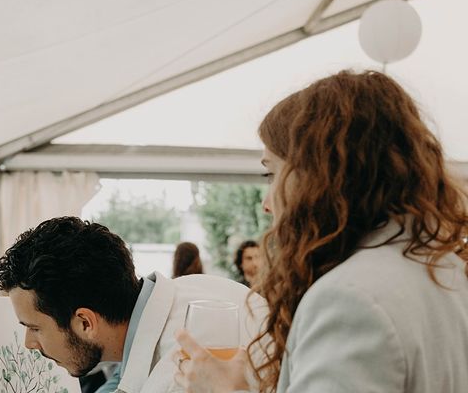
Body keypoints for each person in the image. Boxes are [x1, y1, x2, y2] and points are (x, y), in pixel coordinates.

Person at [174, 70, 468, 392]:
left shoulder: (350, 299)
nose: (266, 204)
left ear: (316, 176)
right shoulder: (444, 268)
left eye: (270, 174)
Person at [0, 216, 267, 393]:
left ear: (85, 323)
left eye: (35, 328)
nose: (28, 343)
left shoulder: (183, 372)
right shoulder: (195, 287)